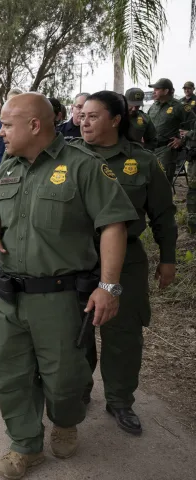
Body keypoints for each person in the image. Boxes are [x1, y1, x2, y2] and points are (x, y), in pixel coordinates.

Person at [0, 93, 138, 479]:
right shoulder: (9, 166)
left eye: (8, 124)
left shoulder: (84, 166)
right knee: (12, 375)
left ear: (35, 125)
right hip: (8, 293)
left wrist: (109, 286)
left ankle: (65, 422)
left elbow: (112, 224)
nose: (0, 131)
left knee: (66, 379)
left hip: (62, 298)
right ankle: (25, 445)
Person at [74, 91, 177, 435]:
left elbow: (163, 214)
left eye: (92, 116)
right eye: (81, 115)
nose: (83, 121)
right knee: (75, 330)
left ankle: (120, 401)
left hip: (127, 259)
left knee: (123, 334)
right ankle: (80, 389)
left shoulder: (143, 161)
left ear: (116, 120)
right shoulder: (68, 156)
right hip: (75, 258)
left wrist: (168, 258)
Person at [147, 78, 195, 181]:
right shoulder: (153, 106)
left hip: (166, 151)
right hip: (150, 150)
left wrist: (182, 140)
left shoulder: (179, 107)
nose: (154, 91)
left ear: (166, 91)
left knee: (162, 183)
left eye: (157, 89)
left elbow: (193, 126)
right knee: (149, 183)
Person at [0, 88, 23, 166]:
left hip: (22, 168)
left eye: (17, 101)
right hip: (2, 168)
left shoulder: (27, 123)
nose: (13, 105)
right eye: (10, 101)